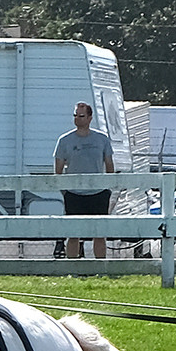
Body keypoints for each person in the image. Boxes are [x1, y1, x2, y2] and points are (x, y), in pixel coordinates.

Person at [53, 100, 115, 258]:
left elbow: (109, 165)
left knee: (99, 233)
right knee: (73, 234)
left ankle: (101, 270)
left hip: (98, 193)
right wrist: (65, 192)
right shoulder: (64, 141)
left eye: (81, 116)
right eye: (75, 115)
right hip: (74, 194)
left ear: (89, 118)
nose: (77, 119)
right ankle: (72, 269)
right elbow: (58, 170)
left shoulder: (102, 139)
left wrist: (107, 189)